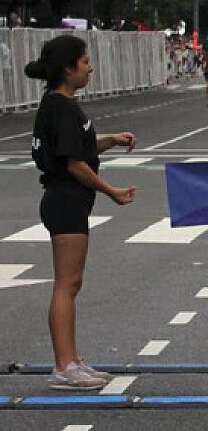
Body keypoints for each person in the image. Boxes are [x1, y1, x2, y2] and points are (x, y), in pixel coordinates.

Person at [24, 35, 137, 391]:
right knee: (66, 284)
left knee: (72, 283)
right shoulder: (61, 107)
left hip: (68, 201)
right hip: (65, 199)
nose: (90, 68)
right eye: (85, 62)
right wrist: (111, 191)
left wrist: (111, 140)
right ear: (68, 68)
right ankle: (64, 366)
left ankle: (72, 360)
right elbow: (74, 163)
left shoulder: (60, 105)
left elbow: (79, 148)